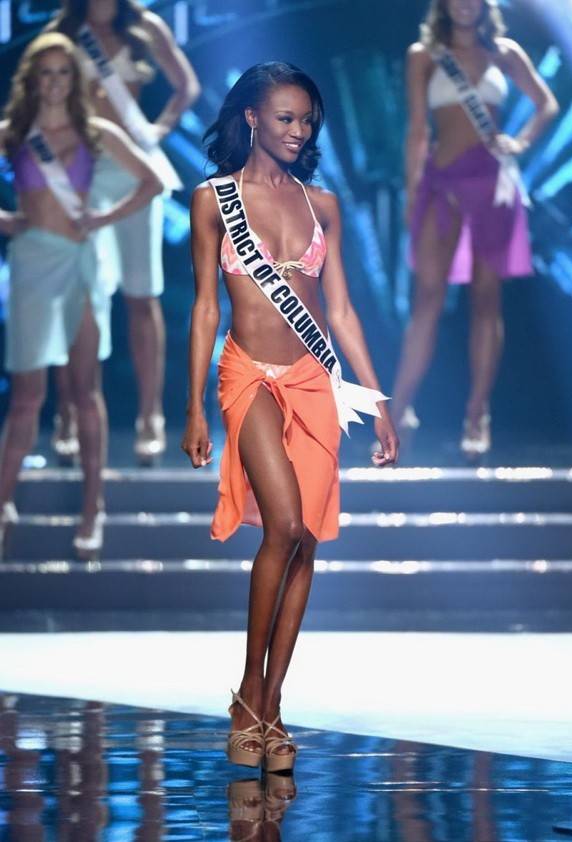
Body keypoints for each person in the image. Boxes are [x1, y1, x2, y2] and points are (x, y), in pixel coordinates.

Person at [181, 62, 398, 772]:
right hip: (246, 374)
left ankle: (271, 705)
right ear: (251, 117)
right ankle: (248, 692)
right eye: (284, 118)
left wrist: (378, 401)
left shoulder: (322, 205)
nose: (298, 130)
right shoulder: (213, 200)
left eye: (306, 120)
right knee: (284, 525)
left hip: (313, 380)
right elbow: (205, 308)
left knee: (305, 541)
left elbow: (342, 312)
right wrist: (192, 407)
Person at [0, 33, 161, 556]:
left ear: (75, 79)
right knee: (28, 396)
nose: (54, 82)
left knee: (86, 390)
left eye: (63, 72)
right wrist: (6, 220)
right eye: (45, 73)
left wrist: (104, 217)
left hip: (81, 264)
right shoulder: (14, 133)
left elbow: (153, 182)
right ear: (32, 79)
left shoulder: (96, 132)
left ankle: (93, 508)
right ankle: (2, 503)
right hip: (32, 263)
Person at [391, 0, 558, 457]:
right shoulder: (423, 55)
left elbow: (547, 103)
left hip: (492, 185)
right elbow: (417, 131)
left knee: (486, 299)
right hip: (442, 183)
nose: (464, 4)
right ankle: (399, 408)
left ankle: (477, 413)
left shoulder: (505, 52)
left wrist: (520, 142)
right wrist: (412, 193)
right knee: (427, 298)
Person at [49, 0, 201, 464]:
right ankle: (70, 413)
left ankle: (150, 415)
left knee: (141, 295)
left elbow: (187, 85)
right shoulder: (65, 30)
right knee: (79, 296)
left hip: (135, 171)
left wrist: (159, 129)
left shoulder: (144, 27)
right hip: (81, 172)